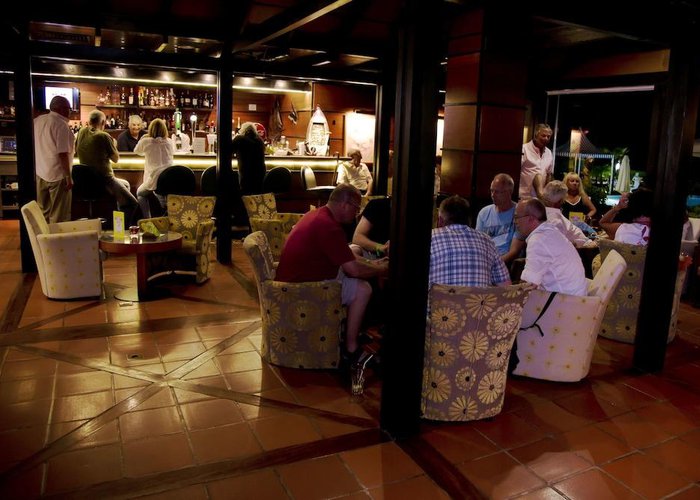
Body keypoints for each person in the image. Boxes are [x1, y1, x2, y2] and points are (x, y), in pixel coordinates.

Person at [275, 184, 389, 359]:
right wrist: (382, 269)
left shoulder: (318, 215)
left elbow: (347, 256)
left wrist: (374, 263)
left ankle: (350, 331)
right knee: (363, 289)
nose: (357, 213)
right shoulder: (328, 227)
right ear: (345, 204)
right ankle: (351, 347)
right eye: (356, 207)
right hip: (301, 288)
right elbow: (354, 270)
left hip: (296, 278)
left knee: (354, 252)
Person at [429, 195, 511, 287]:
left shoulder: (431, 238)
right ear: (470, 220)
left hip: (441, 296)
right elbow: (506, 286)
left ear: (440, 220)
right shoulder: (487, 241)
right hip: (477, 297)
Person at [75, 109, 139, 225]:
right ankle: (122, 229)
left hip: (85, 182)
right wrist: (113, 143)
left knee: (125, 184)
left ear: (89, 121)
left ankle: (118, 217)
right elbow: (116, 158)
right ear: (103, 122)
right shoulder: (104, 136)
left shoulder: (81, 132)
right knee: (133, 203)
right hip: (104, 180)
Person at [514, 198, 587, 296]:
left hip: (566, 301)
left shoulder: (538, 240)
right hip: (575, 296)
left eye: (516, 217)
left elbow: (528, 285)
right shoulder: (550, 231)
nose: (515, 222)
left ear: (530, 218)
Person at [33, 95, 74, 223]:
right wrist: (68, 177)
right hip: (58, 176)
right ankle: (56, 236)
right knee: (59, 215)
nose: (70, 112)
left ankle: (43, 235)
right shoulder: (61, 125)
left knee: (43, 212)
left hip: (40, 173)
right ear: (61, 109)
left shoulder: (37, 120)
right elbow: (62, 154)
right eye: (69, 109)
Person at [133, 118, 174, 218]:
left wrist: (143, 138)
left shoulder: (146, 141)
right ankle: (165, 212)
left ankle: (148, 219)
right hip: (170, 178)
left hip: (154, 179)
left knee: (140, 193)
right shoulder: (169, 142)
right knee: (162, 197)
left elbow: (136, 151)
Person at [476, 173, 517, 257]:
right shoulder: (484, 212)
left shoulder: (519, 211)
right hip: (486, 257)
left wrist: (497, 263)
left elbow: (515, 250)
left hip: (507, 259)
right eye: (491, 191)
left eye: (497, 192)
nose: (493, 195)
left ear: (509, 192)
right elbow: (478, 242)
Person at [520, 123, 553, 200]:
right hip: (524, 197)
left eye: (548, 136)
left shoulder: (549, 152)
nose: (546, 138)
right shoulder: (524, 149)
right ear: (536, 135)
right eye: (543, 135)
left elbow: (549, 174)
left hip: (540, 198)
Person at [232, 122, 266, 195]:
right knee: (257, 194)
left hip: (246, 172)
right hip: (260, 172)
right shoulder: (260, 140)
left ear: (243, 130)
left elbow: (228, 151)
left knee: (245, 194)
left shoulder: (239, 139)